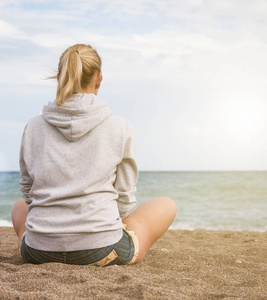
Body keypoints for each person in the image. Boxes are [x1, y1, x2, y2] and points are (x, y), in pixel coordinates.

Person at [11, 44, 177, 266]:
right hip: (101, 248)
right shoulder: (119, 125)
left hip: (38, 251)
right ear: (99, 79)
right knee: (167, 204)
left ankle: (42, 242)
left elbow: (28, 192)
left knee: (19, 206)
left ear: (59, 77)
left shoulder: (33, 126)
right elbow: (125, 197)